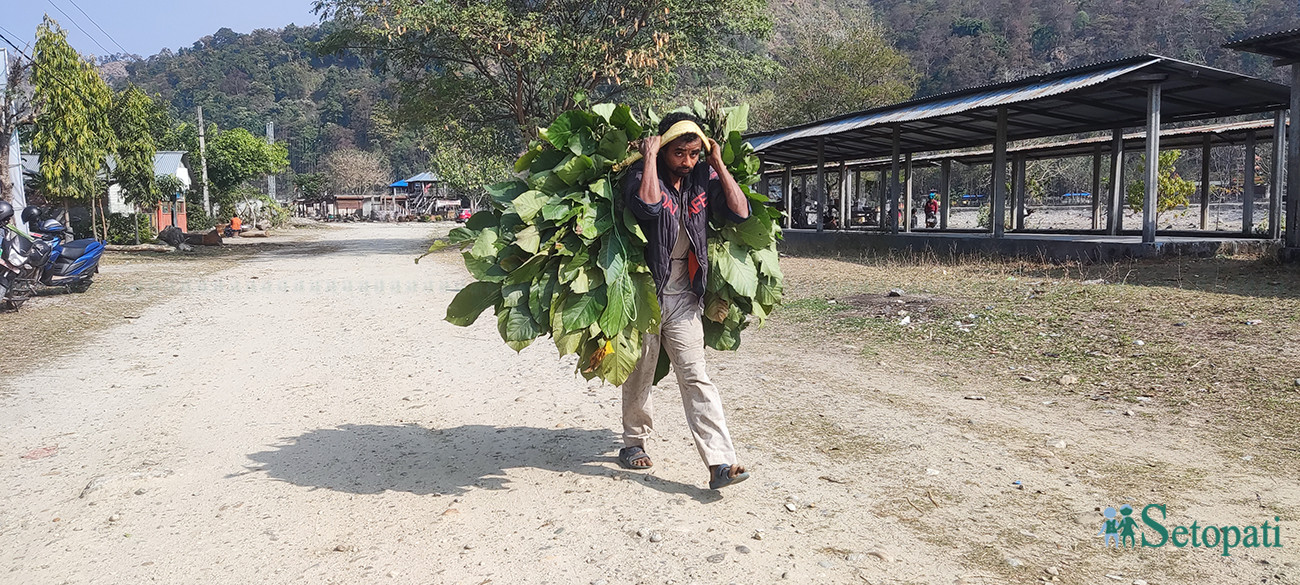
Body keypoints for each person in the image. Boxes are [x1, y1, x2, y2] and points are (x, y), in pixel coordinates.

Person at [619, 112, 751, 490]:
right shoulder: (644, 176)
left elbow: (741, 212)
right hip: (645, 291)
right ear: (663, 149)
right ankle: (633, 442)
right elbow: (648, 208)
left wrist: (719, 163)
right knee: (640, 371)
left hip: (684, 294)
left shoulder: (701, 179)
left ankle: (720, 463)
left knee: (696, 377)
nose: (688, 161)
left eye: (695, 153)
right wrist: (648, 157)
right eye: (680, 153)